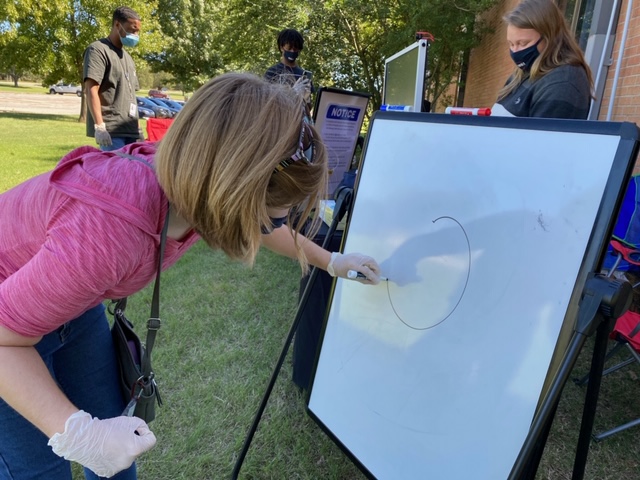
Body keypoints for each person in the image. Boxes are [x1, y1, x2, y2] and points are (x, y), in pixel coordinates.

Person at [0, 72, 382, 479]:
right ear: (233, 189)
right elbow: (6, 340)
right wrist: (81, 436)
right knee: (40, 468)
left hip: (67, 306)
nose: (277, 221)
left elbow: (263, 225)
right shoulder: (112, 230)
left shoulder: (193, 181)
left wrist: (331, 261)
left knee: (117, 447)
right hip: (9, 333)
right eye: (276, 208)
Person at [492, 0, 593, 119]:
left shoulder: (563, 82)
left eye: (523, 43)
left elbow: (544, 137)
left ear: (550, 37)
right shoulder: (523, 72)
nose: (515, 51)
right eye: (511, 44)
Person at [83, 6, 142, 151]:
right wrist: (100, 127)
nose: (135, 34)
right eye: (132, 29)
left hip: (131, 131)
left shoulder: (128, 58)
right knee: (117, 173)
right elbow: (91, 89)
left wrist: (138, 129)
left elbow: (131, 96)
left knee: (135, 172)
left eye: (137, 31)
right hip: (112, 132)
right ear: (117, 25)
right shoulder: (98, 50)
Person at [264, 28, 313, 106]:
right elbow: (265, 101)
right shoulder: (272, 72)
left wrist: (305, 98)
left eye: (295, 48)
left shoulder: (303, 75)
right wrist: (292, 93)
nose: (292, 51)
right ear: (281, 47)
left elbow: (308, 106)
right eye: (289, 47)